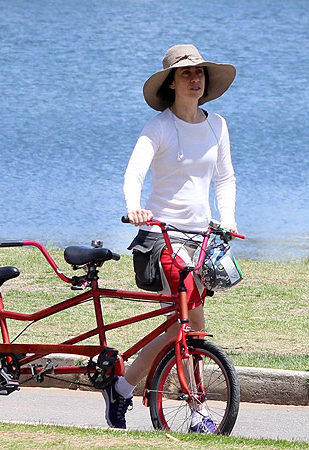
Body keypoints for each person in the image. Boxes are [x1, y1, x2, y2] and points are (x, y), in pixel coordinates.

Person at [104, 44, 238, 432]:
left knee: (182, 327)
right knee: (189, 322)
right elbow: (134, 175)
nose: (196, 79)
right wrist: (135, 207)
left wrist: (226, 219)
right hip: (160, 236)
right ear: (171, 83)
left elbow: (225, 179)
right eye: (186, 74)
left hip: (201, 239)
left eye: (200, 74)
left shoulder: (218, 125)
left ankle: (124, 386)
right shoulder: (159, 127)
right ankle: (197, 411)